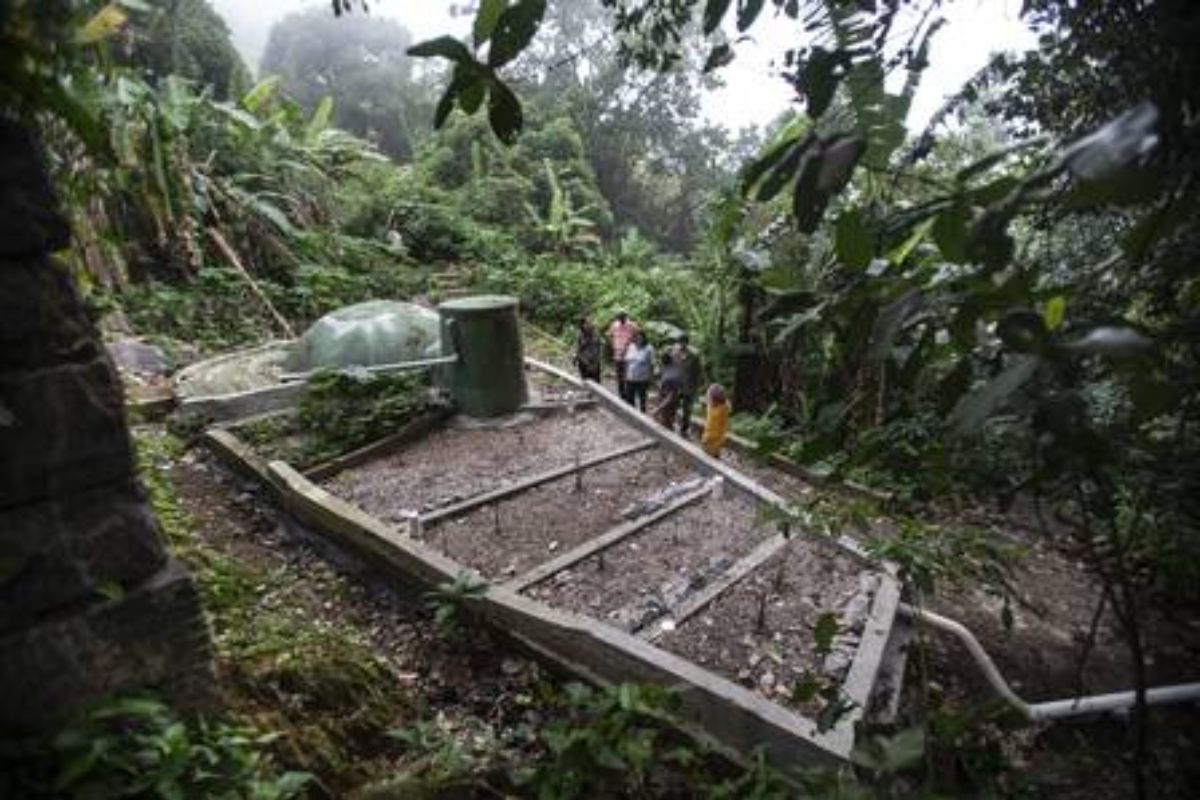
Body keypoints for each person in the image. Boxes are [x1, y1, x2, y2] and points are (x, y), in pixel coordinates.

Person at [669, 334, 703, 437]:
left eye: (683, 342)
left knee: (687, 410)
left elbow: (698, 372)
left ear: (687, 343)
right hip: (676, 386)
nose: (681, 345)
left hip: (689, 387)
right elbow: (671, 368)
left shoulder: (694, 356)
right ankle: (671, 424)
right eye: (680, 342)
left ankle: (684, 429)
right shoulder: (674, 354)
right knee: (673, 406)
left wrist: (697, 387)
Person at [607, 311, 638, 400]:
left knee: (628, 375)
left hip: (629, 355)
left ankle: (629, 394)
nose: (621, 320)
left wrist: (632, 345)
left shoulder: (632, 325)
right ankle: (622, 395)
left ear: (626, 317)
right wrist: (613, 345)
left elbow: (637, 336)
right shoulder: (614, 325)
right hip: (617, 354)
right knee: (619, 376)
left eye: (622, 318)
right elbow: (609, 336)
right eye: (619, 319)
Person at [623, 331, 654, 411]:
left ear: (644, 339)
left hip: (642, 378)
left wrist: (651, 377)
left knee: (642, 398)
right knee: (630, 398)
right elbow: (627, 361)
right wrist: (625, 374)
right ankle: (631, 414)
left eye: (641, 338)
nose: (639, 339)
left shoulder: (649, 348)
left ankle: (642, 414)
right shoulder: (631, 347)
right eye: (637, 338)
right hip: (631, 377)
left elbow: (651, 364)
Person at [651, 350, 681, 429]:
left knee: (666, 425)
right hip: (671, 401)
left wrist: (658, 409)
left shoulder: (669, 377)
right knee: (668, 423)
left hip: (668, 405)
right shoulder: (674, 367)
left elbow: (670, 397)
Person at [701, 383, 731, 458]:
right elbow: (707, 401)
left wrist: (717, 442)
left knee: (712, 455)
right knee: (706, 454)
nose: (708, 400)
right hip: (707, 436)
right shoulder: (711, 406)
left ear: (716, 400)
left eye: (710, 398)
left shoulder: (722, 409)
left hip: (715, 439)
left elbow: (722, 427)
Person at [573, 316, 602, 382]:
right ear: (583, 325)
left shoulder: (596, 334)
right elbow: (577, 348)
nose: (589, 325)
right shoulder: (580, 335)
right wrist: (576, 358)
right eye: (587, 323)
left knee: (596, 382)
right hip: (584, 363)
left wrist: (595, 363)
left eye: (590, 323)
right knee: (586, 382)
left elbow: (599, 348)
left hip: (595, 363)